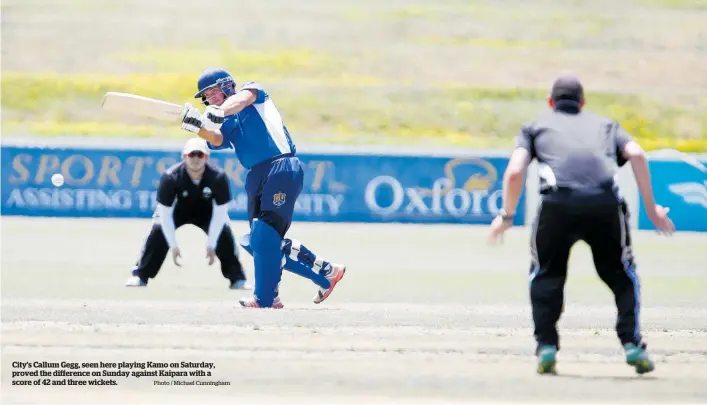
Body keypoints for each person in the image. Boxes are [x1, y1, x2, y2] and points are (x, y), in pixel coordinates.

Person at [487, 74, 675, 375]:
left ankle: (546, 347)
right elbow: (637, 154)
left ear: (551, 102)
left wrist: (507, 216)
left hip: (557, 207)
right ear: (583, 103)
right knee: (621, 275)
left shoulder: (535, 126)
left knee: (547, 274)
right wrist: (652, 210)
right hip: (604, 205)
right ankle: (632, 344)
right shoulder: (606, 125)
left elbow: (514, 171)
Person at [178, 67, 347, 308]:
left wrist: (217, 111)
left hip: (281, 165)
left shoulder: (253, 92)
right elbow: (216, 139)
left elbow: (239, 101)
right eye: (207, 96)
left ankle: (265, 299)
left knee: (266, 235)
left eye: (213, 92)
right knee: (256, 242)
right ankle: (326, 273)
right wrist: (199, 128)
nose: (211, 99)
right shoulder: (224, 119)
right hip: (255, 175)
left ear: (226, 85)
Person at [125, 137, 250, 289]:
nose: (196, 159)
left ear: (207, 157)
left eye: (200, 155)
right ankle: (140, 276)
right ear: (184, 157)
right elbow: (164, 214)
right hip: (177, 212)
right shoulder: (170, 177)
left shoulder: (218, 178)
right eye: (192, 155)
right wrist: (173, 245)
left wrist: (211, 244)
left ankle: (237, 278)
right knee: (158, 230)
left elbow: (220, 214)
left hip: (207, 213)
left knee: (223, 232)